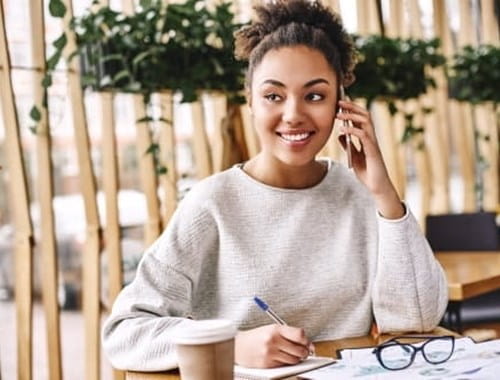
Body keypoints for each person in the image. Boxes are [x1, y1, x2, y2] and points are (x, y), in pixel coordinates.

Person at [102, 0, 448, 371]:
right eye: (273, 96)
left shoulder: (363, 198)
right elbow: (125, 332)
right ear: (250, 100)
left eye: (315, 95)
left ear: (341, 105)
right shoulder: (212, 204)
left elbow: (417, 320)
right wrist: (229, 345)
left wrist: (384, 195)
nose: (293, 114)